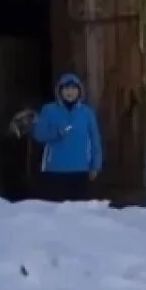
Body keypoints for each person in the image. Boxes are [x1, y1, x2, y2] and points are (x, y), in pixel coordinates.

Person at [30, 73, 102, 202]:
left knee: (78, 213)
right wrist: (55, 133)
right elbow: (38, 135)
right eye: (66, 88)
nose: (70, 92)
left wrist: (95, 165)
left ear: (79, 91)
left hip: (80, 170)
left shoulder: (87, 113)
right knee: (55, 212)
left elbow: (94, 140)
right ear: (60, 90)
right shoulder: (48, 110)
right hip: (55, 170)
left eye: (74, 88)